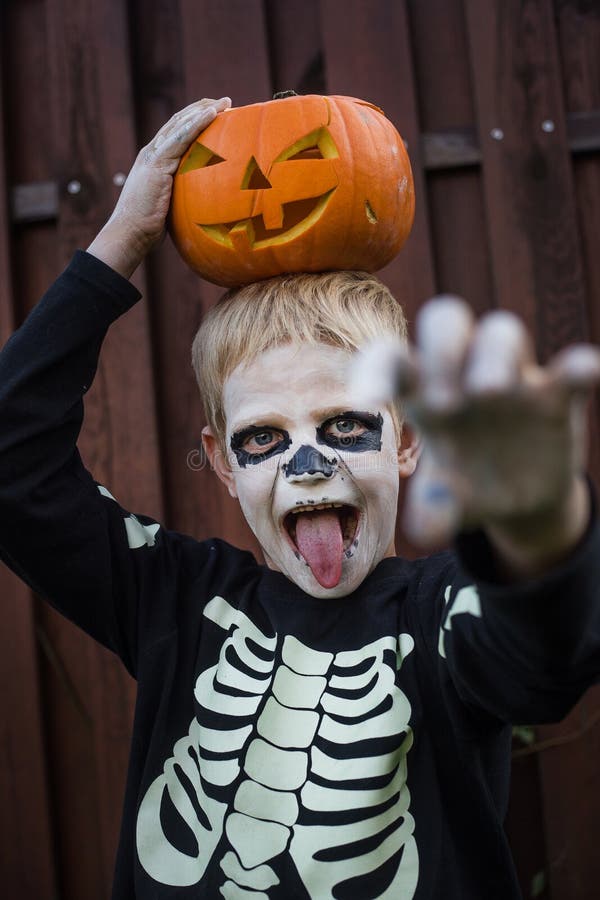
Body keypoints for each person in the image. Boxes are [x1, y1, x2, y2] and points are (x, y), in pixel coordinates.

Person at [0, 97, 599, 900]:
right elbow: (13, 465)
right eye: (263, 438)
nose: (307, 464)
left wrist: (538, 525)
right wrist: (120, 241)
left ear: (408, 437)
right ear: (221, 461)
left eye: (345, 425)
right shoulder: (175, 602)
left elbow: (542, 657)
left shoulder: (443, 615)